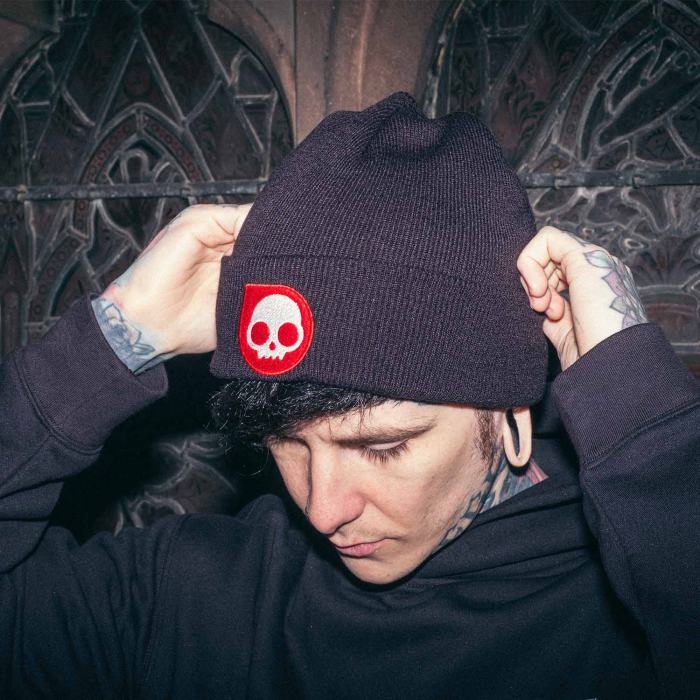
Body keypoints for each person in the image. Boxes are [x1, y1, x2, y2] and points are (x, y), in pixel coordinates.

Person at [1, 92, 698, 699]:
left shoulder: (641, 603)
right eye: (287, 443)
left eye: (382, 446)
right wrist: (109, 341)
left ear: (508, 411)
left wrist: (637, 416)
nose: (324, 509)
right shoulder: (192, 597)